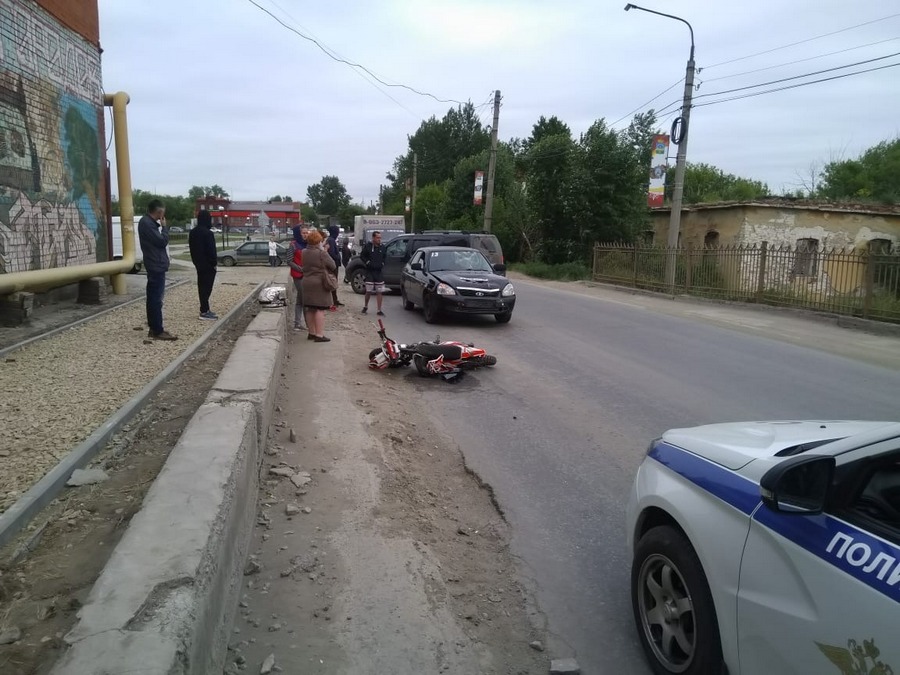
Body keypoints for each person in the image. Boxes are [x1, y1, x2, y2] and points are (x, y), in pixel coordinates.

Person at [138, 199, 177, 340]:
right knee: (156, 299)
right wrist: (164, 227)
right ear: (159, 212)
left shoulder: (147, 223)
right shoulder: (147, 224)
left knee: (154, 298)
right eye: (163, 213)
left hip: (155, 264)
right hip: (156, 265)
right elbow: (161, 242)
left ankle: (154, 327)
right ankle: (157, 330)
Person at [300, 230, 337, 342]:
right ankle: (319, 335)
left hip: (306, 281)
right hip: (319, 283)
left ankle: (311, 332)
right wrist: (324, 250)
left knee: (310, 308)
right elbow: (333, 265)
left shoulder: (304, 252)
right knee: (320, 309)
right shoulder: (321, 253)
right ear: (318, 241)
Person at [188, 210, 219, 320]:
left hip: (198, 263)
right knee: (207, 288)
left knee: (201, 287)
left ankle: (204, 308)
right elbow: (211, 250)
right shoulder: (208, 233)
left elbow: (192, 248)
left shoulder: (193, 232)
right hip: (208, 265)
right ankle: (204, 311)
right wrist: (214, 263)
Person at [360, 230, 386, 315]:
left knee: (379, 291)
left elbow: (385, 257)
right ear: (373, 238)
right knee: (369, 291)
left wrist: (382, 263)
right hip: (370, 272)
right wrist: (368, 263)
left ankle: (379, 310)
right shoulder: (368, 246)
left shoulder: (382, 247)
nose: (379, 239)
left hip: (378, 272)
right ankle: (365, 306)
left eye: (380, 238)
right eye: (378, 238)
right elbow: (362, 256)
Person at [288, 226, 308, 331]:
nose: (305, 235)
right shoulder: (293, 245)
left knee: (300, 300)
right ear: (298, 234)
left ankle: (298, 323)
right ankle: (308, 323)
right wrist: (300, 269)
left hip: (307, 275)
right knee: (304, 299)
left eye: (306, 233)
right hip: (298, 275)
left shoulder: (308, 244)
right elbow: (289, 260)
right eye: (303, 233)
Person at [325, 225, 343, 309]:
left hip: (334, 264)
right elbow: (331, 253)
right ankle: (332, 301)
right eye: (337, 231)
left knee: (333, 282)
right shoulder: (331, 240)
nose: (338, 233)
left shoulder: (331, 240)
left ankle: (335, 299)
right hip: (333, 265)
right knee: (332, 282)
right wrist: (337, 257)